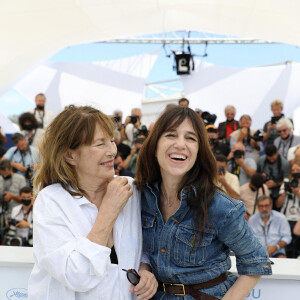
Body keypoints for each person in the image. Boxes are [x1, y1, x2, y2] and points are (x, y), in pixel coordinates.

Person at [135, 106, 271, 300]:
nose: (180, 144)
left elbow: (257, 261)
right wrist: (145, 269)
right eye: (171, 135)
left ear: (199, 151)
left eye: (190, 138)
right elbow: (142, 250)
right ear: (154, 145)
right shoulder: (142, 196)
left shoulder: (219, 206)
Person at [28, 105, 157, 300]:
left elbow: (148, 245)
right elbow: (77, 276)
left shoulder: (131, 189)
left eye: (112, 141)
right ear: (70, 155)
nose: (112, 151)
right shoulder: (51, 201)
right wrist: (109, 209)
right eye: (100, 144)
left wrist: (145, 269)